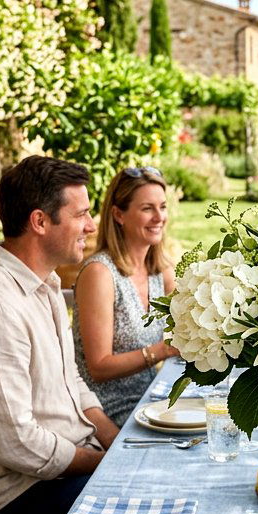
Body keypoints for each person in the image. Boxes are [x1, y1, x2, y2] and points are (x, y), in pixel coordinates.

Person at [0, 156, 118, 514]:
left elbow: (72, 382)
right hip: (20, 497)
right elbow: (16, 443)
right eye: (81, 214)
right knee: (152, 502)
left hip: (62, 471)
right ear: (39, 221)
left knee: (160, 473)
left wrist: (114, 442)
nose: (91, 226)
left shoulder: (44, 285)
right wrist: (103, 464)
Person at [73, 166, 177, 427]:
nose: (159, 217)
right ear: (119, 215)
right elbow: (98, 367)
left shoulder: (159, 270)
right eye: (147, 209)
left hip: (151, 402)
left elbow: (191, 325)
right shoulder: (100, 273)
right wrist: (162, 350)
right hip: (109, 412)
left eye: (162, 207)